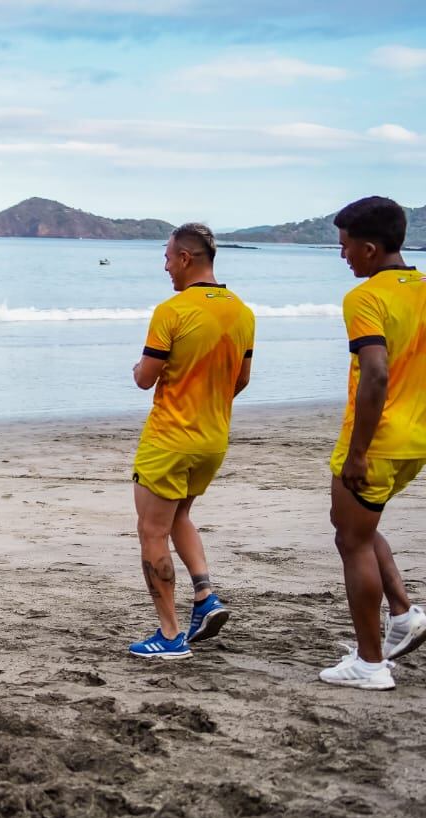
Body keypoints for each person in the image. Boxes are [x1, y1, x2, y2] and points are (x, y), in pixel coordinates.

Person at [129, 223, 255, 659]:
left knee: (151, 532)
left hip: (169, 438)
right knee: (180, 514)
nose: (165, 267)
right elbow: (241, 379)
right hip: (213, 439)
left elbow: (145, 379)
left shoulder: (173, 310)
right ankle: (205, 596)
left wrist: (138, 370)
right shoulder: (242, 311)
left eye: (167, 258)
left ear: (186, 258)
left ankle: (169, 635)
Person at [320, 196, 426, 691]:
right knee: (360, 526)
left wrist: (359, 450)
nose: (342, 257)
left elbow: (376, 373)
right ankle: (404, 614)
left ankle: (369, 664)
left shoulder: (365, 297)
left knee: (352, 539)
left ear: (368, 248)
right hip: (417, 437)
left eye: (344, 248)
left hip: (378, 440)